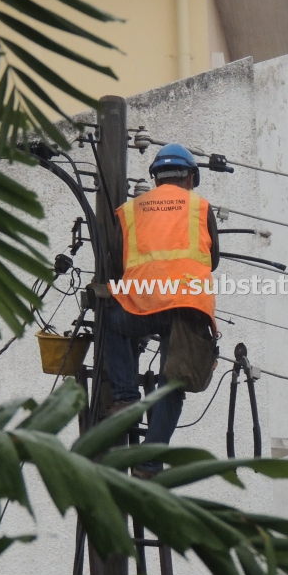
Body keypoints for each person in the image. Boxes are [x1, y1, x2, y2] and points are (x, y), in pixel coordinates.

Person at [103, 143, 219, 477]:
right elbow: (213, 259)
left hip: (142, 303)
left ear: (155, 178)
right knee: (172, 386)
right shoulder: (200, 207)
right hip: (187, 308)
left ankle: (125, 397)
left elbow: (119, 258)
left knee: (112, 322)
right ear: (191, 178)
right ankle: (150, 464)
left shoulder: (130, 210)